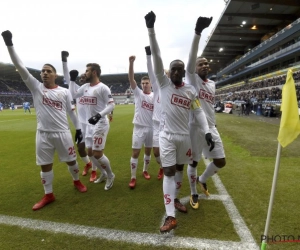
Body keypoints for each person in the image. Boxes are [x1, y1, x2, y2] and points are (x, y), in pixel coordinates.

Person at [1, 30, 87, 211]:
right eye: (43, 71)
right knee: (44, 165)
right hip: (43, 134)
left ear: (55, 75)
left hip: (63, 133)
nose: (45, 73)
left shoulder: (64, 92)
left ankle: (77, 181)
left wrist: (78, 129)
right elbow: (20, 66)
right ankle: (49, 194)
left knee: (71, 161)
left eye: (49, 71)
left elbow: (71, 113)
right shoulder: (36, 88)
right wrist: (9, 43)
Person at [145, 11, 214, 233]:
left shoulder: (190, 91)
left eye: (179, 69)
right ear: (169, 72)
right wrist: (151, 30)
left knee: (179, 171)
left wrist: (207, 131)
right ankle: (170, 216)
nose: (175, 71)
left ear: (183, 72)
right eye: (172, 68)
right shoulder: (163, 85)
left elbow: (199, 112)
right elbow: (157, 55)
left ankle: (174, 200)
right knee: (168, 171)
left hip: (184, 138)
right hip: (166, 136)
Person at [186, 16, 226, 209]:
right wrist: (197, 33)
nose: (204, 65)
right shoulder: (192, 79)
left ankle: (203, 179)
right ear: (194, 68)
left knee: (221, 161)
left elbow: (209, 107)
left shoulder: (212, 84)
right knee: (193, 162)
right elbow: (192, 58)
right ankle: (194, 192)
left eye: (206, 63)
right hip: (194, 127)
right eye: (200, 64)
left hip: (211, 127)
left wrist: (214, 123)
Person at [69, 63, 115, 190]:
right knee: (90, 152)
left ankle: (111, 175)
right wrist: (72, 80)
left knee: (97, 153)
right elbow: (72, 94)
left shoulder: (103, 88)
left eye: (87, 70)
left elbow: (111, 105)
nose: (85, 73)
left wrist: (98, 116)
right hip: (89, 125)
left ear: (94, 72)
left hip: (100, 123)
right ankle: (104, 173)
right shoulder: (85, 86)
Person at [61, 51, 103, 183]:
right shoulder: (78, 90)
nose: (82, 77)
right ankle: (88, 164)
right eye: (81, 76)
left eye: (85, 75)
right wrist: (64, 60)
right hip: (81, 124)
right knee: (80, 148)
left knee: (91, 150)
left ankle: (94, 171)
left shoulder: (92, 89)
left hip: (92, 124)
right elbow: (68, 78)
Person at [128, 55, 154, 189]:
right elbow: (131, 79)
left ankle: (145, 170)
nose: (144, 85)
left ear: (151, 84)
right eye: (142, 83)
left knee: (148, 152)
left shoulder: (156, 96)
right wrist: (131, 63)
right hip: (139, 127)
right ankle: (133, 177)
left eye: (146, 83)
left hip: (151, 128)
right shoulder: (138, 93)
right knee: (135, 153)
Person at [145, 46, 164, 180]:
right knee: (156, 152)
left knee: (170, 151)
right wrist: (148, 55)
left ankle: (170, 170)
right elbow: (151, 72)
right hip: (157, 125)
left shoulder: (173, 89)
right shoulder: (157, 88)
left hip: (169, 125)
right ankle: (162, 166)